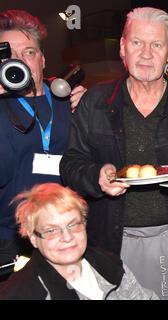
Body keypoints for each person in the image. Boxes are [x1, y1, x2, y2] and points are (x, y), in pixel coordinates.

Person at [60, 7, 168, 300]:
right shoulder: (96, 101)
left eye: (156, 45)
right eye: (136, 43)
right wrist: (97, 176)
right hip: (112, 244)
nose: (146, 53)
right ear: (122, 48)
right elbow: (71, 164)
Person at [0, 10, 85, 280]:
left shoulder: (66, 98)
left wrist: (88, 110)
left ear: (43, 59)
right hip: (10, 235)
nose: (19, 60)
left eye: (29, 52)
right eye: (9, 53)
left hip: (64, 231)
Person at [0, 183, 158, 300]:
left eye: (73, 224)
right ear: (33, 238)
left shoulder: (109, 264)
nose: (67, 237)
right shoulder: (22, 293)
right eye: (52, 230)